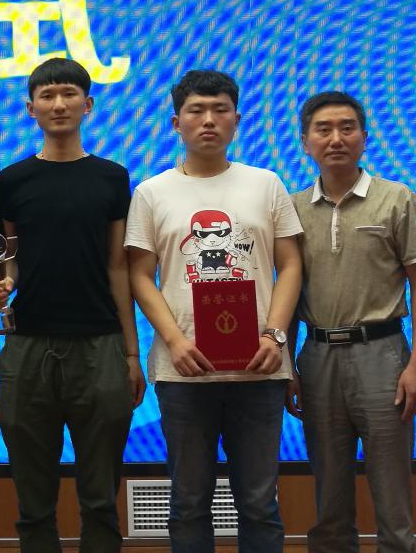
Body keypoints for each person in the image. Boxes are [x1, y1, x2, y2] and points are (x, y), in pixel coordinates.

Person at [125, 70, 302, 553]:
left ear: (237, 120)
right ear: (176, 122)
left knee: (260, 503)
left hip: (259, 367)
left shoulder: (266, 184)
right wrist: (175, 342)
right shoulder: (152, 192)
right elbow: (139, 275)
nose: (209, 120)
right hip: (183, 371)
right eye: (196, 111)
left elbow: (291, 265)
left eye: (220, 110)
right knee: (188, 502)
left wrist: (275, 336)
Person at [0, 58, 146, 553]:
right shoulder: (11, 180)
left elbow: (118, 267)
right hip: (27, 345)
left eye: (69, 94)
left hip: (100, 345)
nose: (58, 104)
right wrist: (0, 287)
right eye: (47, 95)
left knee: (100, 496)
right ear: (30, 108)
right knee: (33, 499)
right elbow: (10, 260)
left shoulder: (112, 177)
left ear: (88, 105)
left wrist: (131, 352)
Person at [287, 91, 416, 553]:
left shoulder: (396, 198)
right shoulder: (292, 207)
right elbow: (286, 292)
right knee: (329, 496)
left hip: (383, 356)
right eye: (323, 129)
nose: (336, 138)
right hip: (317, 358)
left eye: (347, 128)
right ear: (305, 141)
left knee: (392, 493)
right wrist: (287, 364)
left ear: (364, 138)